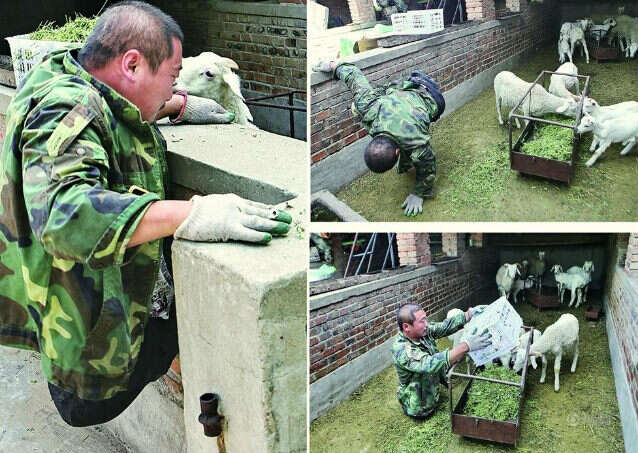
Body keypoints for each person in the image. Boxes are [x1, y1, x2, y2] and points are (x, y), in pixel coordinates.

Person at [0, 1, 291, 426]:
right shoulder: (67, 109)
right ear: (132, 64)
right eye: (172, 78)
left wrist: (171, 105)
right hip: (89, 353)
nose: (174, 88)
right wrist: (192, 214)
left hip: (72, 312)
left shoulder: (63, 72)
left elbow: (108, 103)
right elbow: (66, 215)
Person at [312, 61, 445, 216]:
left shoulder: (416, 144)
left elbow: (428, 166)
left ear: (397, 152)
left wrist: (419, 194)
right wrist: (333, 66)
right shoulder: (368, 107)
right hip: (403, 91)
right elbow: (354, 76)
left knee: (363, 107)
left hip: (430, 95)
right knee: (361, 105)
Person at [391, 303, 490, 419]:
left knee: (436, 366)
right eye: (422, 321)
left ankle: (434, 393)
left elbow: (444, 327)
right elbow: (429, 364)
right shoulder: (402, 349)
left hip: (429, 390)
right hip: (418, 405)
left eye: (425, 319)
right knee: (430, 368)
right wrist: (466, 346)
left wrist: (468, 314)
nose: (426, 324)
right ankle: (423, 407)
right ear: (406, 327)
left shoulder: (421, 332)